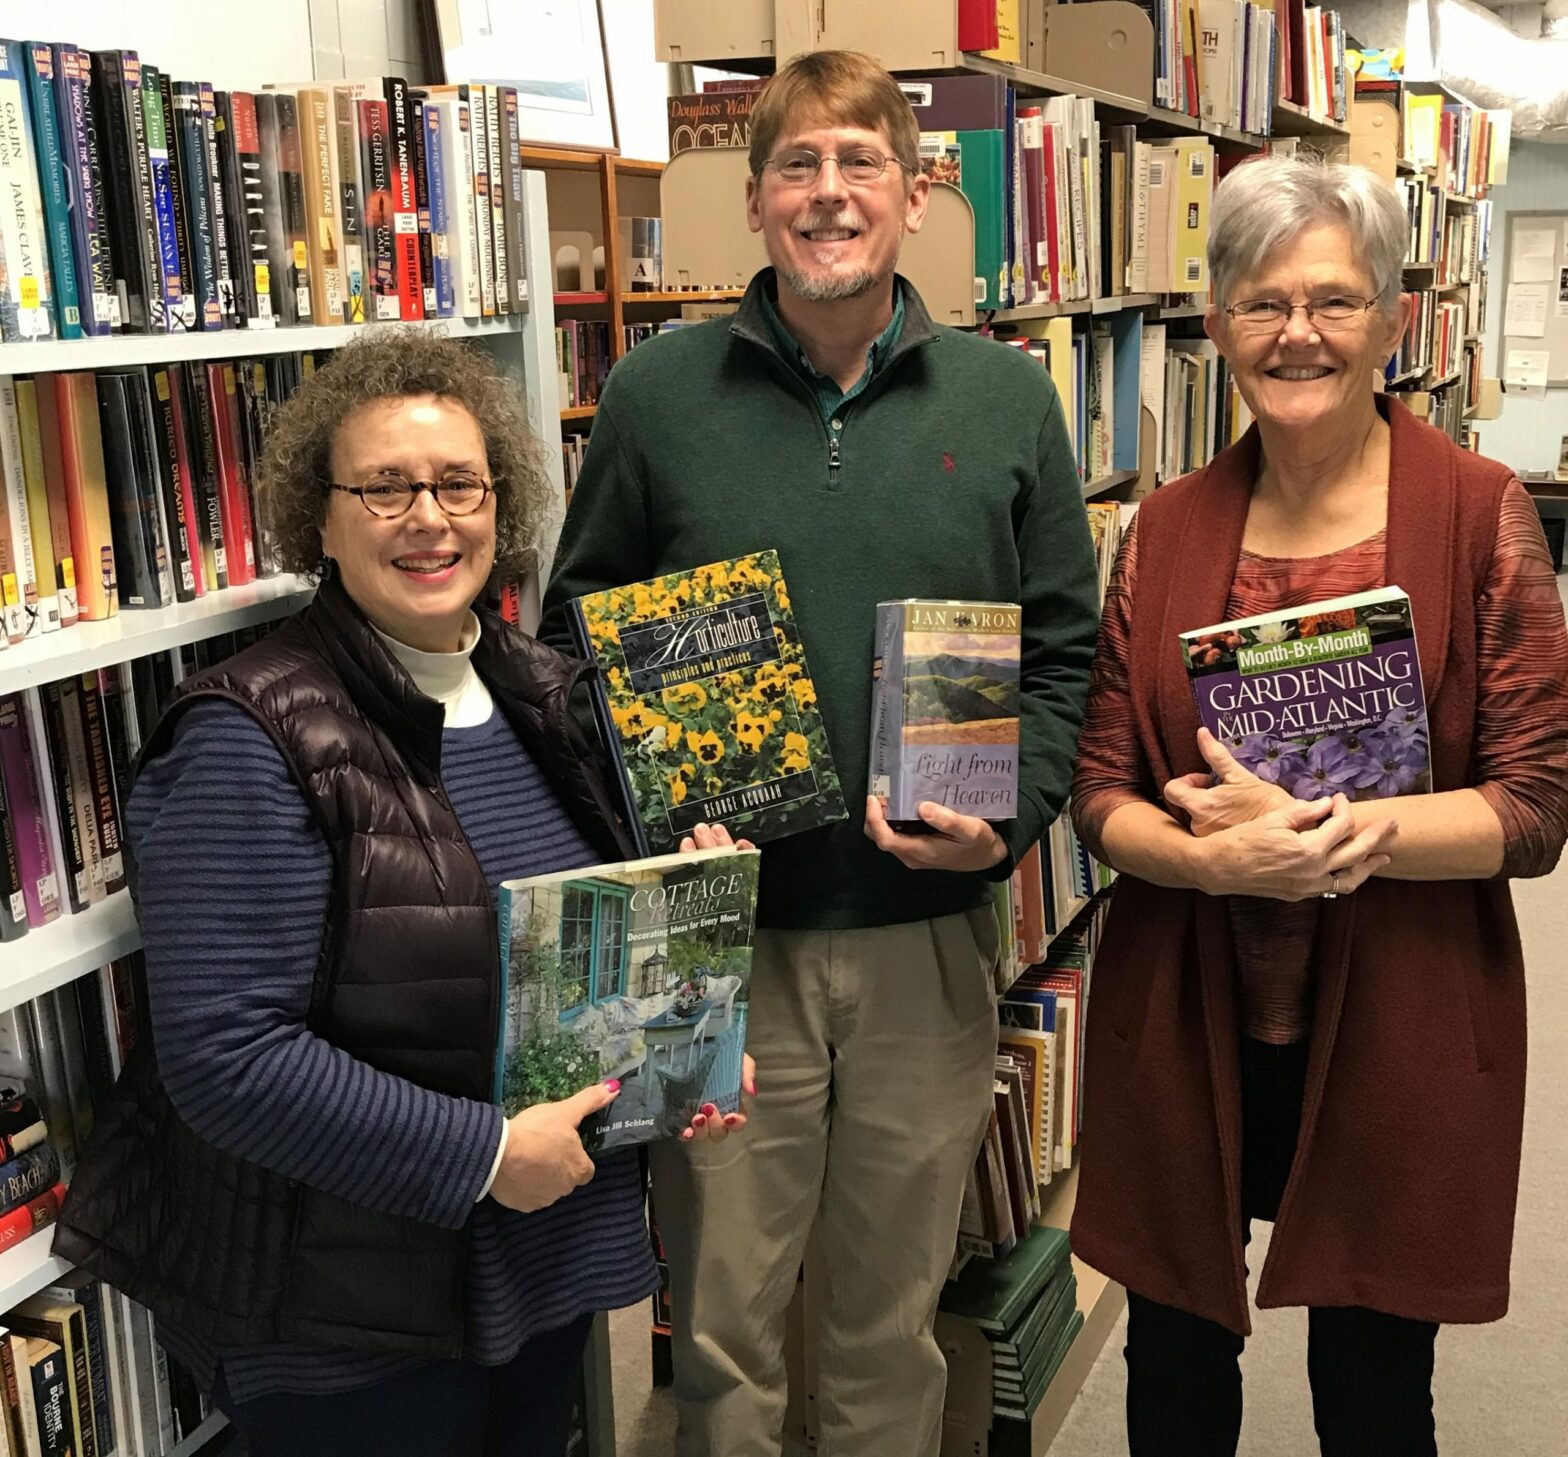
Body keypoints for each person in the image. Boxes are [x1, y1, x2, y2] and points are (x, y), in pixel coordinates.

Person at [539, 49, 1102, 1457]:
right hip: (724, 939)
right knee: (722, 1309)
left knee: (889, 1308)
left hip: (930, 934)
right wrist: (655, 800)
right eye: (800, 166)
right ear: (755, 201)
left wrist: (1014, 817)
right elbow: (573, 641)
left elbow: (1063, 654)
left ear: (917, 197)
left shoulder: (1007, 399)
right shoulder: (658, 394)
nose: (830, 194)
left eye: (862, 163)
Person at [54, 330, 746, 1457]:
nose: (429, 516)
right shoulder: (247, 730)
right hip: (349, 1307)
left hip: (536, 1258)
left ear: (499, 502)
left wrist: (684, 1042)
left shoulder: (551, 692)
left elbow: (566, 965)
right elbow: (226, 1057)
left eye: (457, 482)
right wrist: (478, 1156)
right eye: (382, 487)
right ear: (316, 519)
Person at [1068, 155, 1568, 1456]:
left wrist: (1355, 836)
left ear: (1396, 318)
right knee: (1171, 1375)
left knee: (1374, 1392)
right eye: (1263, 299)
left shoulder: (1477, 514)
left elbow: (1535, 806)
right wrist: (1213, 867)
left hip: (1395, 1016)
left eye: (1336, 300)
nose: (1300, 331)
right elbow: (1099, 791)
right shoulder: (1165, 531)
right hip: (1190, 1014)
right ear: (1221, 317)